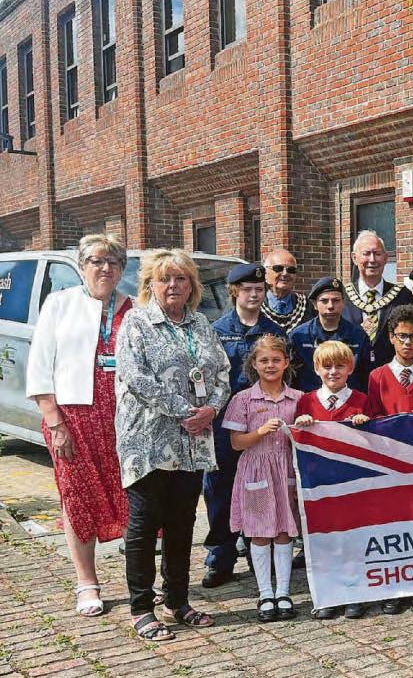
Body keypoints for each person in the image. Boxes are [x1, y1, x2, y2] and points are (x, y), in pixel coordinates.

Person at [115, 249, 231, 642]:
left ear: (192, 285)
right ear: (150, 284)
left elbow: (223, 373)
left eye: (181, 278)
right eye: (165, 278)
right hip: (147, 441)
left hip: (193, 443)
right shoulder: (136, 322)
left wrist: (211, 409)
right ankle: (141, 608)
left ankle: (177, 601)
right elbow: (135, 377)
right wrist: (186, 411)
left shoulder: (200, 323)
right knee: (145, 525)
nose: (173, 285)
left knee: (183, 523)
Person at [26, 234, 132, 617]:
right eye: (96, 261)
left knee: (132, 498)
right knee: (77, 498)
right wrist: (55, 422)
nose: (105, 268)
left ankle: (139, 582)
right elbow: (39, 367)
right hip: (73, 421)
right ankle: (87, 582)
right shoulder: (60, 304)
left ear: (122, 269)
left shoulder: (133, 308)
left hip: (124, 422)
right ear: (82, 265)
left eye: (113, 262)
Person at [203, 263, 288, 588]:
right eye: (247, 289)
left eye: (259, 289)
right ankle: (220, 558)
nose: (254, 294)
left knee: (262, 490)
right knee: (220, 492)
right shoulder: (217, 330)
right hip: (225, 425)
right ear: (234, 292)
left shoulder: (274, 332)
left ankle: (259, 555)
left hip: (263, 425)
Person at [361, 305, 413, 615]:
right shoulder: (377, 377)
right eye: (402, 336)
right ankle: (393, 584)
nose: (407, 342)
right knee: (391, 524)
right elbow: (372, 417)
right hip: (389, 463)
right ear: (391, 337)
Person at [223, 335, 302, 623]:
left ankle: (284, 592)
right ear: (254, 364)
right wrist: (259, 432)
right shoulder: (243, 399)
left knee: (284, 530)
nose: (270, 365)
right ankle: (265, 592)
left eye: (276, 360)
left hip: (286, 471)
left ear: (286, 363)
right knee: (260, 530)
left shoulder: (298, 399)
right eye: (264, 360)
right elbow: (236, 443)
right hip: (256, 473)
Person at [293, 341, 371, 619]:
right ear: (317, 369)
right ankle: (328, 594)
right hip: (319, 485)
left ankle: (355, 593)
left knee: (352, 539)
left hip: (352, 484)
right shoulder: (306, 402)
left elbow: (377, 441)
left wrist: (366, 424)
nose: (333, 372)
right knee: (323, 540)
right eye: (327, 366)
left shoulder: (361, 400)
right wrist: (301, 424)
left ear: (350, 368)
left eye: (340, 366)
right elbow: (296, 438)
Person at [342, 230, 413, 371]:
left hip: (391, 374)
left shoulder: (403, 296)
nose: (372, 260)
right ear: (354, 258)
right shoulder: (342, 297)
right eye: (366, 253)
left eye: (377, 253)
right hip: (350, 376)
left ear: (386, 258)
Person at [289, 277, 370, 393]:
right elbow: (292, 377)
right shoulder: (299, 336)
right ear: (315, 304)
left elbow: (366, 376)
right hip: (309, 400)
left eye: (336, 300)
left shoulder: (358, 336)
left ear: (343, 303)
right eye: (324, 301)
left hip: (349, 400)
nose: (330, 306)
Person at [260, 248, 316, 333]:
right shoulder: (256, 306)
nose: (285, 273)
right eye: (278, 268)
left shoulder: (306, 306)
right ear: (265, 274)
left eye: (291, 270)